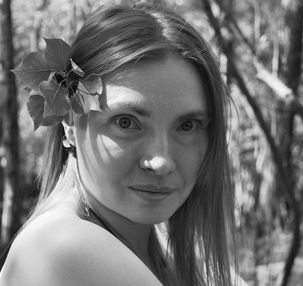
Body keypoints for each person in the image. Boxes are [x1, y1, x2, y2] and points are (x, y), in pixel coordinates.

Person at [0, 1, 246, 285]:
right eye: (126, 122)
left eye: (187, 126)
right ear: (69, 121)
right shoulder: (63, 247)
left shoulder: (160, 243)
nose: (161, 161)